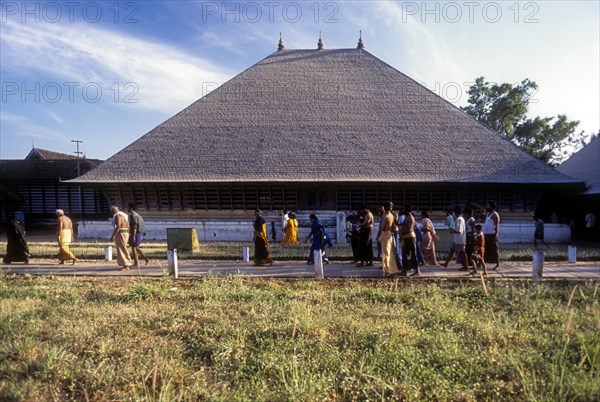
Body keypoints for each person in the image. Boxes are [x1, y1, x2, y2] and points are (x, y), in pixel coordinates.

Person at [442, 207, 469, 271]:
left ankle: (466, 267)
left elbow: (459, 230)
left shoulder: (459, 219)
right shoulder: (460, 219)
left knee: (463, 252)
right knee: (452, 250)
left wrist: (452, 231)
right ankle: (446, 263)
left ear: (455, 213)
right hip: (457, 239)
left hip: (460, 240)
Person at [376, 201, 399, 276]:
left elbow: (382, 227)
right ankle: (390, 269)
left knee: (385, 253)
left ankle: (387, 270)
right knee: (390, 252)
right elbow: (394, 226)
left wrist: (378, 236)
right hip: (390, 233)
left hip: (385, 233)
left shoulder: (385, 216)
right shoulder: (392, 215)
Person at [110, 206, 133, 270]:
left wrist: (113, 235)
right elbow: (128, 226)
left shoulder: (118, 215)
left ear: (113, 211)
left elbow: (118, 226)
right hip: (125, 232)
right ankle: (126, 263)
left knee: (121, 248)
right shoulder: (124, 215)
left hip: (121, 233)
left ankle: (126, 264)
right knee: (123, 247)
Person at [127, 203, 150, 267]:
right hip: (139, 233)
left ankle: (136, 263)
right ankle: (146, 258)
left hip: (136, 233)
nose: (127, 209)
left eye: (128, 207)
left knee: (133, 248)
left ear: (131, 208)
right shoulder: (137, 215)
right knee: (136, 248)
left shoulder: (133, 215)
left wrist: (133, 236)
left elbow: (135, 227)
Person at [400, 204, 419, 276]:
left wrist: (402, 233)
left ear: (407, 210)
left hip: (409, 237)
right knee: (405, 254)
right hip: (406, 237)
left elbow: (409, 229)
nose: (402, 210)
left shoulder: (410, 218)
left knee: (412, 254)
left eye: (404, 209)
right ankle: (404, 270)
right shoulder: (407, 217)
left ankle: (416, 270)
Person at [483, 201, 500, 270]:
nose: (487, 207)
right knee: (485, 249)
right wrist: (484, 210)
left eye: (488, 206)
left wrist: (496, 234)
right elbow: (481, 216)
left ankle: (498, 264)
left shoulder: (495, 215)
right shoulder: (488, 214)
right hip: (486, 234)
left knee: (495, 249)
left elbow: (496, 226)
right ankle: (484, 262)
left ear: (492, 207)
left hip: (492, 234)